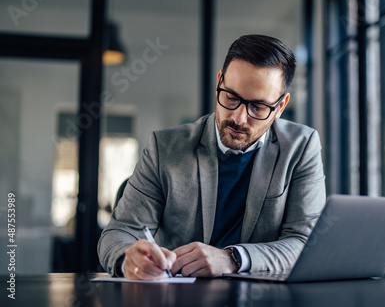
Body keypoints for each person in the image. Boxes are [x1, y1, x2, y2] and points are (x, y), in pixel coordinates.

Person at [98, 34, 326, 280]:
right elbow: (118, 234)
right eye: (231, 97)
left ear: (280, 107)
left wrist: (233, 258)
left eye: (258, 107)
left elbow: (306, 243)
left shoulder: (301, 147)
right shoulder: (164, 148)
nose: (238, 118)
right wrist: (127, 260)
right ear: (219, 82)